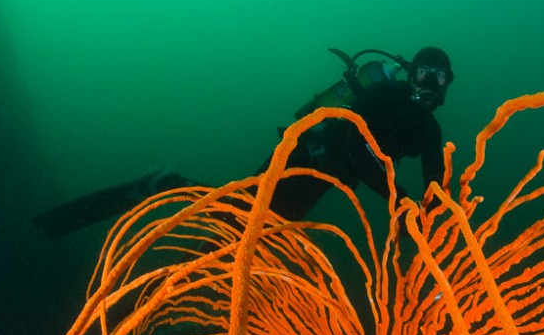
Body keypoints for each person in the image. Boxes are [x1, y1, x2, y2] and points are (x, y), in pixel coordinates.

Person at [32, 47, 454, 238]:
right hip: (308, 154)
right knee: (243, 214)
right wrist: (400, 200)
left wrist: (435, 217)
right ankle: (168, 186)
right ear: (409, 72)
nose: (430, 84)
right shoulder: (383, 96)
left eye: (440, 78)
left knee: (252, 225)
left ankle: (180, 201)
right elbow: (361, 151)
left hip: (325, 175)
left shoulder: (429, 131)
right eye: (424, 73)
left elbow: (437, 181)